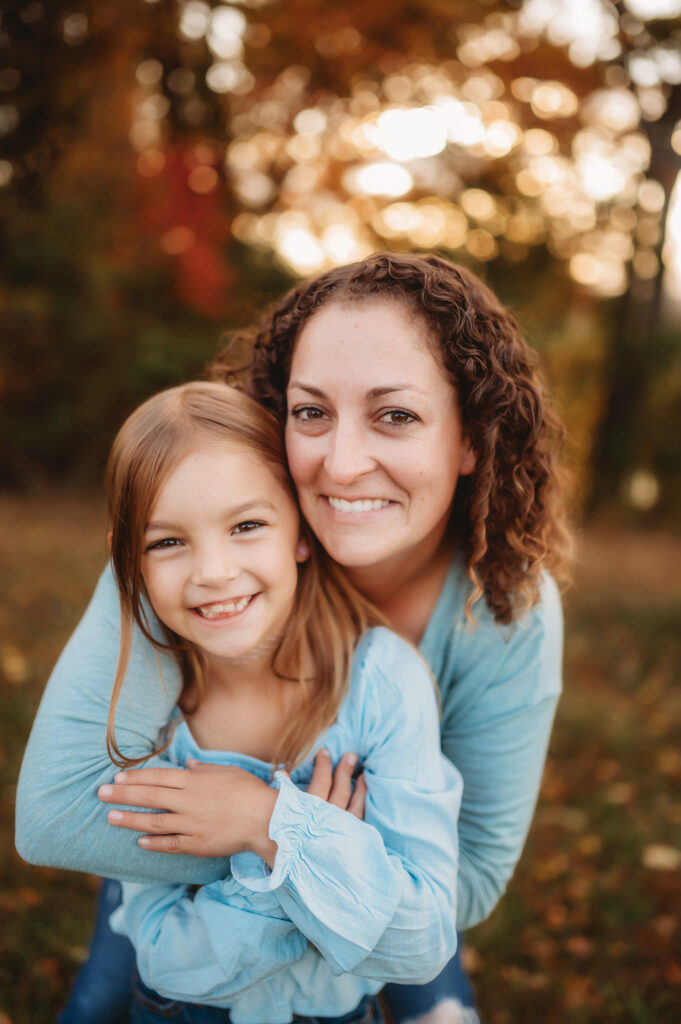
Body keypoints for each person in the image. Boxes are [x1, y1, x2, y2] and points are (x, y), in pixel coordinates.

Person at [16, 252, 570, 1024]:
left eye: (396, 415)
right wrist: (275, 838)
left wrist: (275, 829)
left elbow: (461, 882)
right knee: (104, 1001)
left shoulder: (504, 610)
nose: (341, 464)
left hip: (350, 879)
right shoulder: (194, 561)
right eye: (311, 413)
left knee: (428, 989)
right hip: (177, 860)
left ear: (470, 439)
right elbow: (55, 816)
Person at [68, 378, 464, 1022]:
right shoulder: (144, 714)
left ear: (301, 534)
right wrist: (295, 859)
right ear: (130, 566)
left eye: (247, 525)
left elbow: (419, 942)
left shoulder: (381, 682)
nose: (214, 571)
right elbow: (167, 960)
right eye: (167, 541)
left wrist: (265, 824)